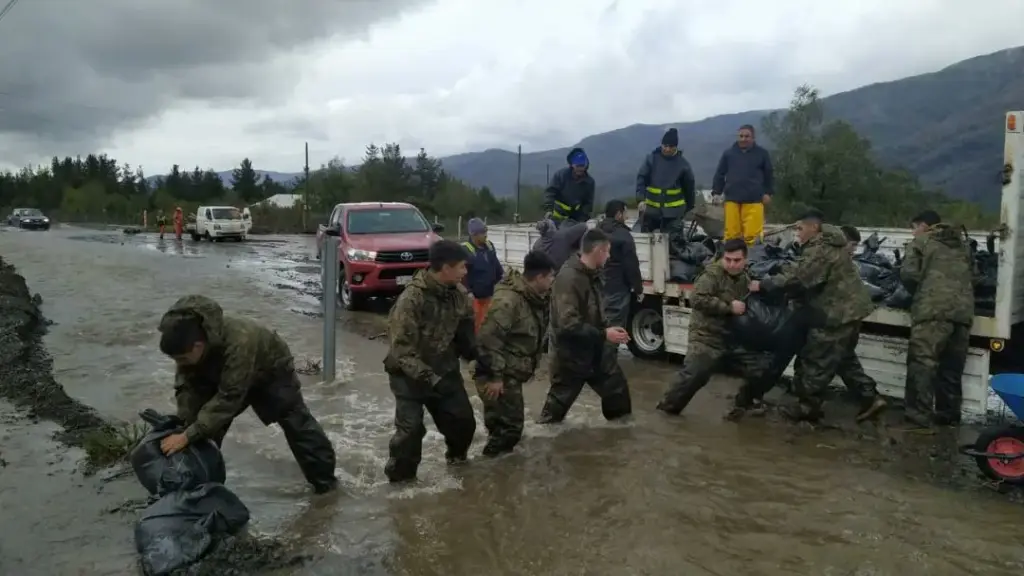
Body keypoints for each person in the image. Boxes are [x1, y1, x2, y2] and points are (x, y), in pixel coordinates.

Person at [156, 295, 338, 494]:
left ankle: (325, 483)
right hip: (222, 370)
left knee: (294, 420)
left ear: (198, 346)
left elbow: (228, 399)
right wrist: (185, 428)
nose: (178, 363)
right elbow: (187, 390)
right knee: (200, 428)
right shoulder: (187, 347)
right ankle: (202, 490)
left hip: (270, 370)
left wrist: (187, 436)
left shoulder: (239, 342)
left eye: (181, 358)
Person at [749, 210, 887, 423]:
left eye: (800, 228)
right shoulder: (827, 245)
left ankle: (808, 406)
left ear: (813, 228)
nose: (797, 233)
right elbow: (803, 269)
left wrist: (764, 284)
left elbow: (800, 278)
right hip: (850, 311)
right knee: (843, 358)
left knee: (816, 358)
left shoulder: (821, 249)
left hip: (835, 313)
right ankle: (871, 398)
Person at [382, 239, 478, 482]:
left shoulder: (460, 297)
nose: (465, 272)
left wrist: (482, 360)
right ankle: (401, 486)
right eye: (462, 267)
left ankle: (457, 465)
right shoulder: (411, 300)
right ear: (445, 268)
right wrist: (431, 379)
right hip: (408, 376)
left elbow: (466, 339)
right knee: (410, 433)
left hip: (444, 370)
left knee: (463, 423)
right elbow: (402, 350)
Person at [655, 239, 776, 418]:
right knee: (695, 374)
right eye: (728, 260)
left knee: (762, 366)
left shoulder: (745, 278)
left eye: (736, 260)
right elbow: (697, 299)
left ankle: (743, 405)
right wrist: (728, 306)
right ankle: (666, 410)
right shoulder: (712, 275)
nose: (732, 264)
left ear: (745, 260)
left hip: (732, 338)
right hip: (706, 335)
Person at [537, 228, 632, 423]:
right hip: (570, 357)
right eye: (607, 251)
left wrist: (610, 330)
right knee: (553, 414)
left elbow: (595, 310)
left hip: (595, 351)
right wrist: (605, 334)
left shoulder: (593, 274)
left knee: (617, 391)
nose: (609, 256)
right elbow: (567, 325)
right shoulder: (569, 278)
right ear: (598, 250)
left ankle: (621, 437)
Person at [474, 251, 557, 456]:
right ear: (539, 278)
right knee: (509, 429)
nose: (553, 281)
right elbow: (486, 339)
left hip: (509, 370)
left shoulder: (536, 296)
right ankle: (491, 472)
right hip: (496, 372)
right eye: (550, 277)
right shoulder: (508, 301)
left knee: (507, 428)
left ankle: (498, 468)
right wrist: (494, 377)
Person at [900, 210, 974, 429]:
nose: (913, 232)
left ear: (923, 226)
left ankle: (918, 415)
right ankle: (948, 414)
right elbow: (975, 275)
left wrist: (923, 293)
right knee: (951, 367)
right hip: (962, 314)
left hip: (932, 311)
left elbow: (908, 274)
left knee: (922, 363)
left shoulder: (920, 242)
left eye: (914, 227)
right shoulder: (963, 245)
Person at [711, 125, 774, 245]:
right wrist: (716, 192)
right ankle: (730, 261)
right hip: (732, 199)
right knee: (731, 235)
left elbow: (769, 174)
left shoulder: (762, 154)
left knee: (752, 236)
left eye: (747, 136)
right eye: (741, 136)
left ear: (753, 138)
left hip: (754, 200)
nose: (743, 139)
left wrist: (768, 192)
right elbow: (720, 173)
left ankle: (751, 261)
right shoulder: (728, 154)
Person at [636, 128, 696, 233]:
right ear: (661, 145)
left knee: (673, 245)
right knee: (646, 243)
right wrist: (640, 199)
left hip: (674, 214)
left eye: (671, 146)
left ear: (676, 147)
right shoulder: (651, 159)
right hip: (650, 212)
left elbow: (689, 188)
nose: (667, 149)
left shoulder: (683, 165)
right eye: (665, 146)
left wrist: (689, 208)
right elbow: (641, 179)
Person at [597, 200, 643, 328]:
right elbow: (631, 266)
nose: (627, 217)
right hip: (617, 290)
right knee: (614, 327)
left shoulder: (596, 232)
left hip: (598, 287)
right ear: (618, 214)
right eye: (625, 213)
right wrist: (638, 289)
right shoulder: (624, 236)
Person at [462, 218, 504, 333]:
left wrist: (503, 278)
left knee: (491, 325)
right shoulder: (466, 250)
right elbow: (462, 276)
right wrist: (468, 292)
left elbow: (496, 266)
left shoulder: (490, 246)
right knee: (477, 326)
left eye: (486, 232)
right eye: (482, 233)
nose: (485, 235)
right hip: (475, 298)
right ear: (473, 235)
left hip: (491, 294)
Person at [543, 147, 595, 226]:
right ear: (572, 165)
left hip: (575, 220)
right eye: (578, 166)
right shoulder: (561, 176)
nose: (580, 169)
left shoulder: (589, 182)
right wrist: (548, 210)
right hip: (556, 218)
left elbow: (588, 204)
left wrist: (583, 219)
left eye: (582, 166)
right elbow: (550, 193)